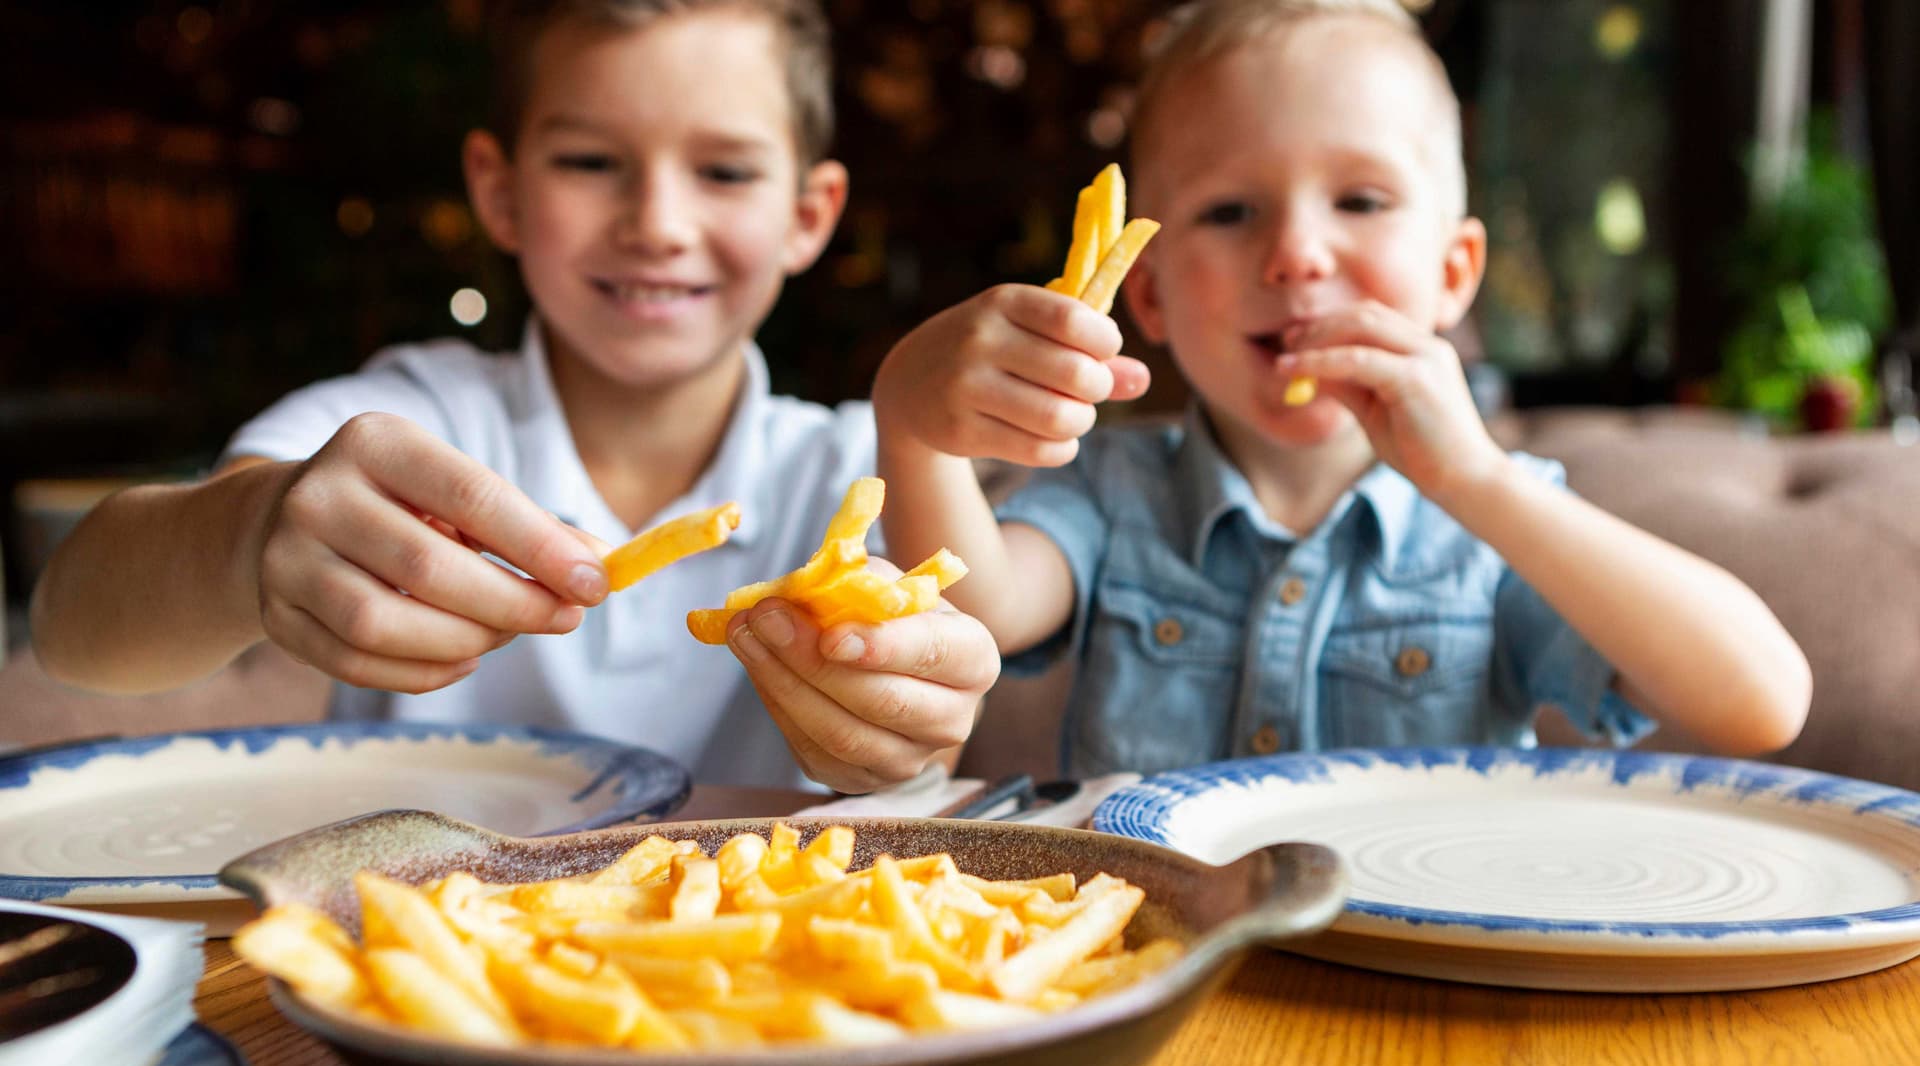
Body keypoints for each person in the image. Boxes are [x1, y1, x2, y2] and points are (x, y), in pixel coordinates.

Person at [26, 0, 999, 793]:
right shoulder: (415, 422)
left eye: (724, 171)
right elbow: (74, 622)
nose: (657, 223)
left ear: (807, 215)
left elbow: (931, 752)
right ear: (498, 191)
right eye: (589, 161)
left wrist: (908, 732)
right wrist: (248, 538)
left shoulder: (862, 472)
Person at [871, 0, 1810, 777]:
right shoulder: (1113, 493)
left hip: (1419, 991)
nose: (1296, 255)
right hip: (1168, 970)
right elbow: (976, 616)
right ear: (1146, 290)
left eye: (1360, 200)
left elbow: (1760, 702)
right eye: (1231, 211)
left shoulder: (1494, 525)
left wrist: (1479, 482)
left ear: (1453, 272)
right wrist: (915, 431)